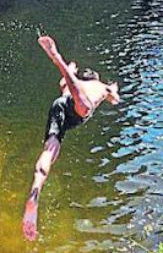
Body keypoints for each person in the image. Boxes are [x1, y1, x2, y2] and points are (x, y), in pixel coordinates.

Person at [22, 35, 121, 242]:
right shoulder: (100, 86)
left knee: (50, 148)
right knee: (83, 104)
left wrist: (71, 68)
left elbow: (63, 83)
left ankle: (36, 188)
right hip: (78, 106)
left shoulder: (70, 86)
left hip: (60, 104)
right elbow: (115, 100)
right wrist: (113, 89)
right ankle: (57, 58)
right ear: (94, 77)